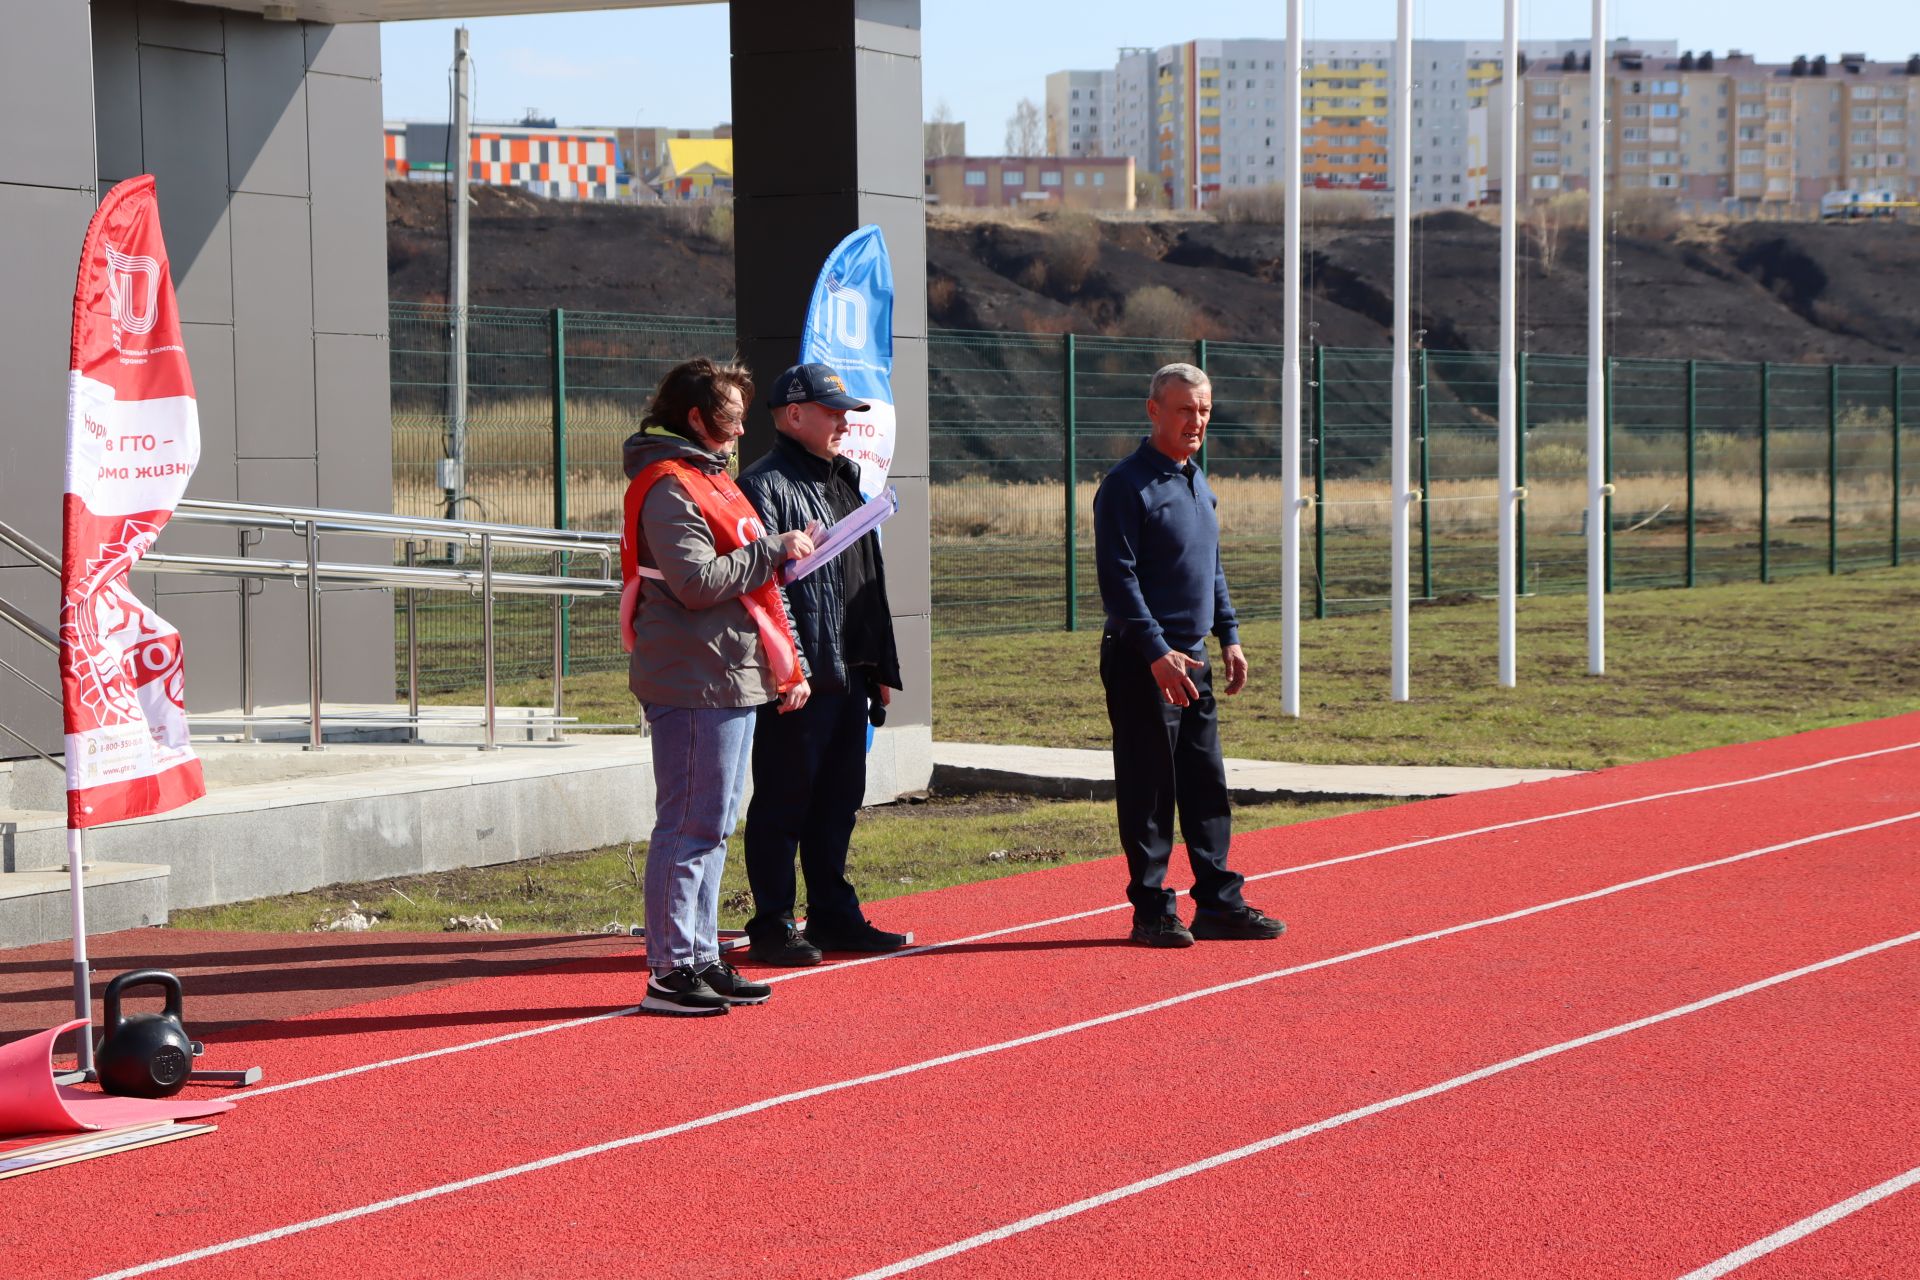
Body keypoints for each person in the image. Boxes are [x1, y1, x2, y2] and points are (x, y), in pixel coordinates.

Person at [620, 356, 817, 1015]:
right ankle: (671, 969)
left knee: (713, 824)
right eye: (731, 422)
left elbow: (738, 574)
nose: (739, 436)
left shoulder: (708, 477)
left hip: (725, 672)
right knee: (688, 824)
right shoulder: (669, 484)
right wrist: (772, 550)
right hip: (693, 676)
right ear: (697, 418)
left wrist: (779, 556)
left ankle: (701, 955)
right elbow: (697, 582)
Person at [1092, 362, 1287, 949]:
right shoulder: (1126, 486)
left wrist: (1229, 635)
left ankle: (1219, 903)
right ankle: (1152, 909)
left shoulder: (1198, 481)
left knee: (1205, 782)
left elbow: (1212, 568)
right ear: (1154, 410)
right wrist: (1156, 652)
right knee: (1150, 787)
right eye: (1185, 409)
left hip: (1195, 657)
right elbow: (1118, 581)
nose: (1196, 420)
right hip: (1143, 659)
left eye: (1204, 410)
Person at [735, 362, 907, 966]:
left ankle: (833, 914)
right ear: (793, 415)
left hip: (850, 671)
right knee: (784, 800)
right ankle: (773, 924)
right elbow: (766, 591)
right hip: (803, 678)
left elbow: (867, 580)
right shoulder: (763, 484)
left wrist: (881, 664)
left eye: (846, 411)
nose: (843, 421)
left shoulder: (846, 478)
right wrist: (792, 670)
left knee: (839, 799)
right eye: (832, 411)